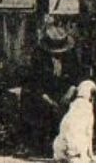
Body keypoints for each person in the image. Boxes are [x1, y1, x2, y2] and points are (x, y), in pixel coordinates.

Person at [19, 24, 81, 157]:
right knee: (33, 103)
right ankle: (38, 144)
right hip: (44, 92)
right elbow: (33, 80)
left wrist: (71, 90)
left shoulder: (71, 55)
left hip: (64, 92)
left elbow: (78, 75)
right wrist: (46, 98)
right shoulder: (38, 56)